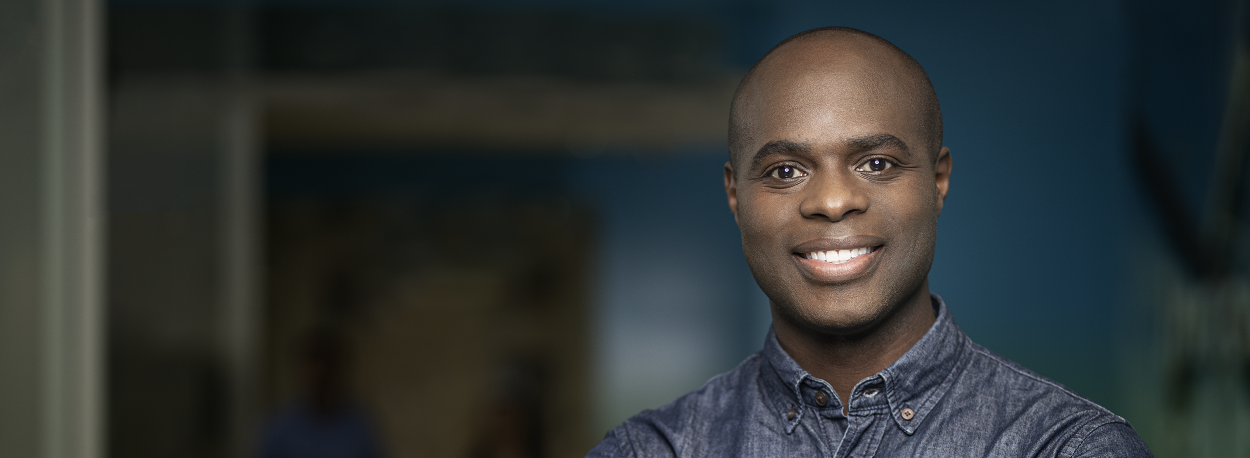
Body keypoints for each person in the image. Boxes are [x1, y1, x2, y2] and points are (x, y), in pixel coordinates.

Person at [586, 27, 1152, 457]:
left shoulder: (1065, 447)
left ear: (937, 181)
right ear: (735, 196)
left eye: (876, 163)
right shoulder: (651, 450)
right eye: (785, 171)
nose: (832, 201)